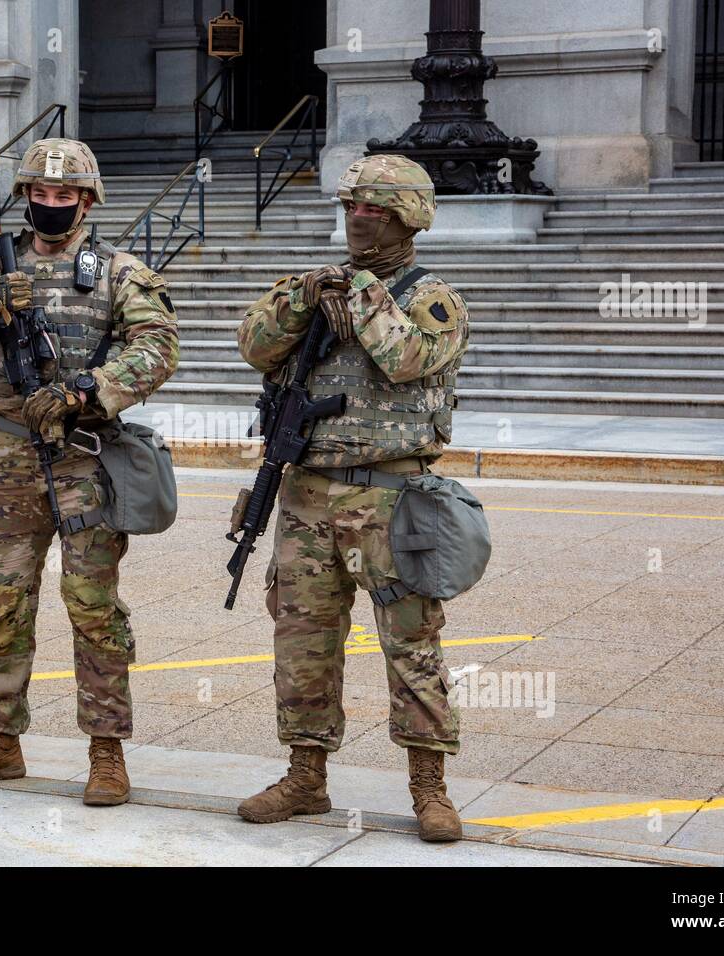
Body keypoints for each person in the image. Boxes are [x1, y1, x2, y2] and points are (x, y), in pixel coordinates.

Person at [0, 138, 178, 806]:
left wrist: (88, 389)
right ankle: (1, 742)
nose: (51, 205)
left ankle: (106, 751)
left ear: (87, 201)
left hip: (84, 456)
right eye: (41, 194)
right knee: (1, 604)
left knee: (94, 609)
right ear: (25, 197)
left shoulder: (119, 270)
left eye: (65, 196)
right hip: (8, 458)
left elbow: (158, 347)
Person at [233, 154, 471, 841]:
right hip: (308, 497)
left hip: (393, 501)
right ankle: (305, 777)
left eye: (375, 208)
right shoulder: (316, 290)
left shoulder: (432, 298)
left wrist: (362, 293)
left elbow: (405, 361)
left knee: (413, 645)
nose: (359, 219)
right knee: (303, 642)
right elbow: (253, 343)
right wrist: (306, 296)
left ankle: (429, 787)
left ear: (409, 217)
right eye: (352, 208)